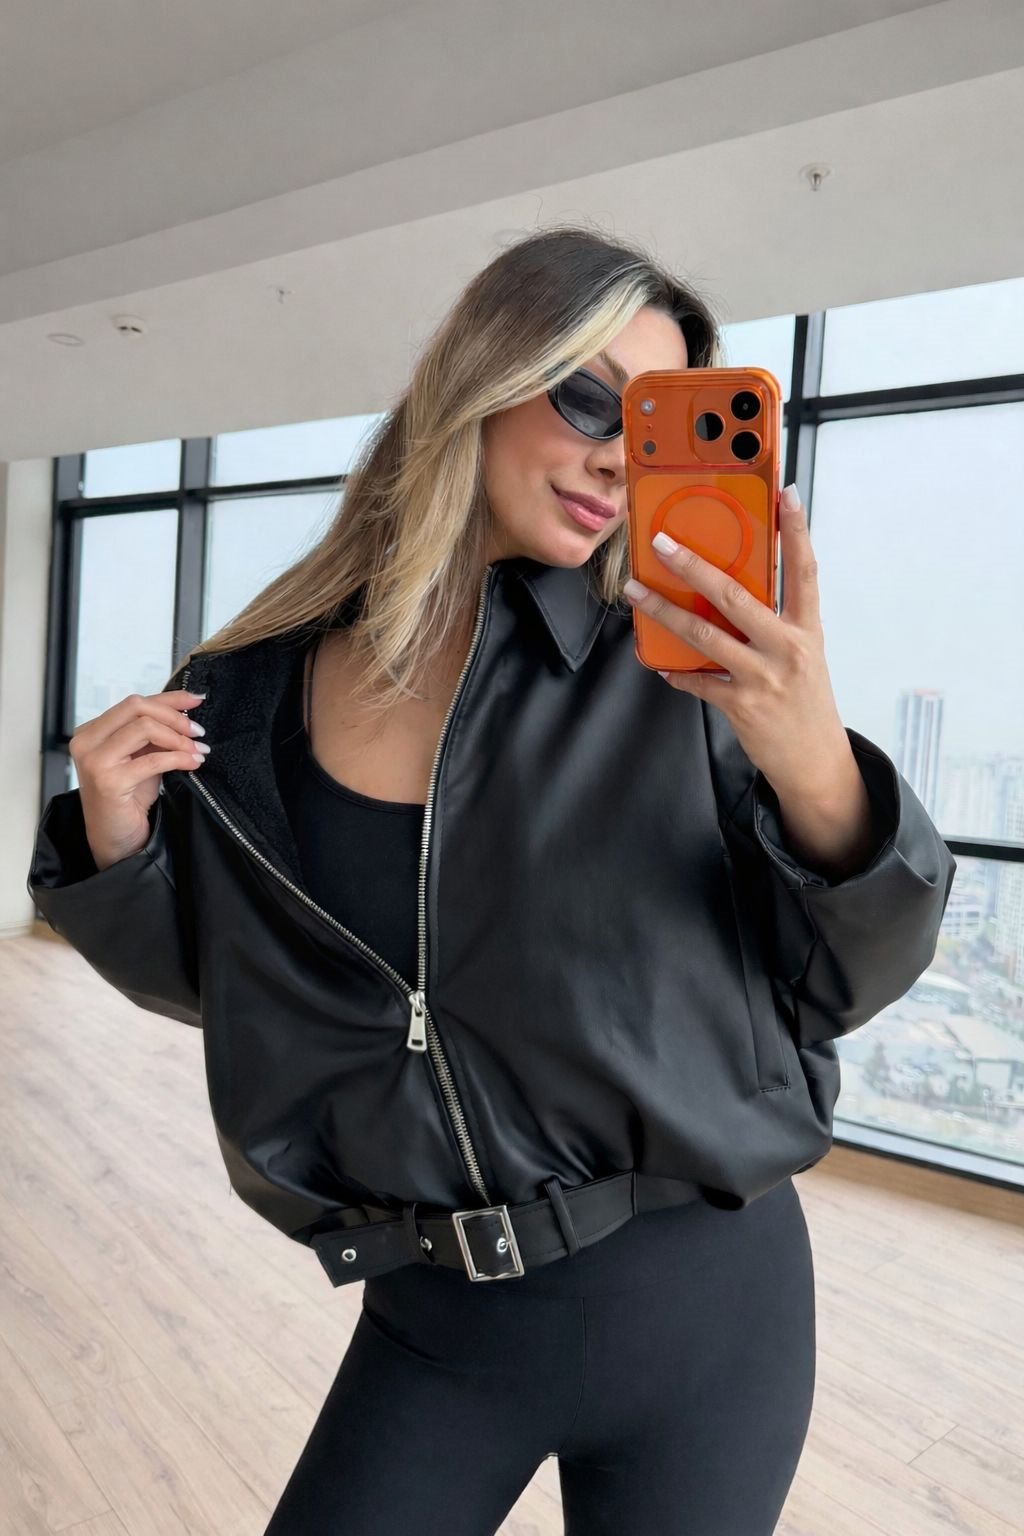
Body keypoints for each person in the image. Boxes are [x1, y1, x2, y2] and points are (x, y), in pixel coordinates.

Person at [27, 224, 956, 1535]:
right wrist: (118, 846)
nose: (617, 460)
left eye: (653, 430)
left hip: (706, 1313)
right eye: (589, 400)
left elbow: (851, 975)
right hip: (436, 1322)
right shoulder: (245, 697)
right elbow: (235, 989)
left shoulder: (684, 681)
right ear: (483, 376)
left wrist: (813, 762)